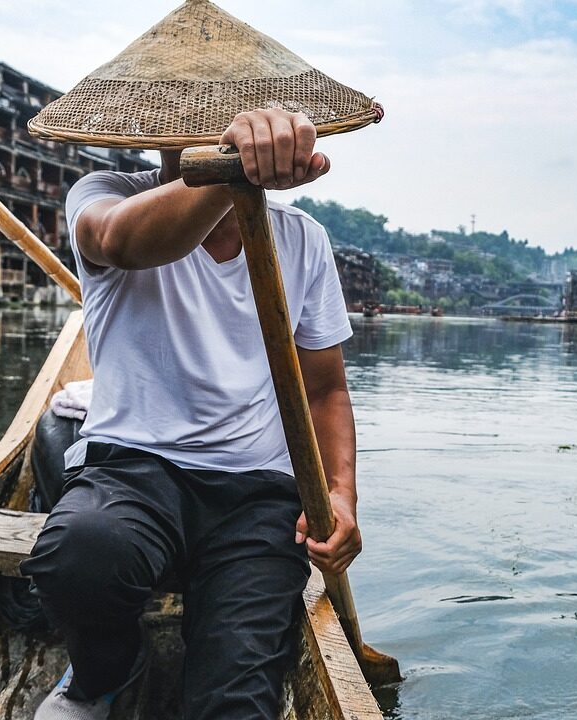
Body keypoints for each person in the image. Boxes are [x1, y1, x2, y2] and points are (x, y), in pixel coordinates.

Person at [22, 108, 360, 720]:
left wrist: (341, 497)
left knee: (236, 699)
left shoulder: (303, 237)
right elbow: (121, 242)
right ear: (160, 129)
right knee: (78, 557)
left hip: (257, 495)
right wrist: (232, 175)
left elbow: (325, 391)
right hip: (131, 470)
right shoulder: (105, 195)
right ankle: (109, 669)